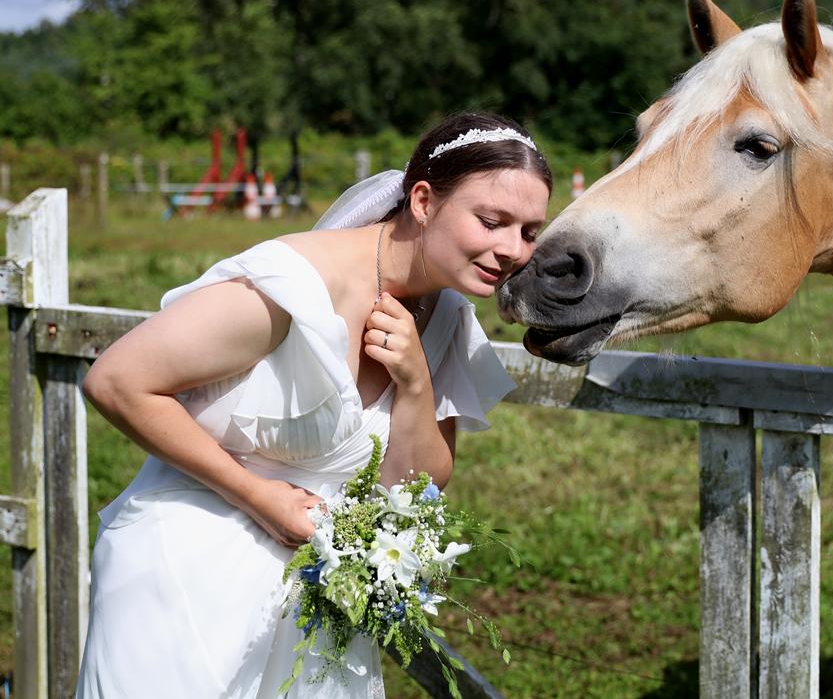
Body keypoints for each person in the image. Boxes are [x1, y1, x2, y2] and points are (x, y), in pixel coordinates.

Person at [75, 112, 553, 697]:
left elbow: (418, 483)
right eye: (492, 221)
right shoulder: (294, 286)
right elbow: (118, 380)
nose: (512, 250)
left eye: (529, 232)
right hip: (185, 580)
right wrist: (256, 494)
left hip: (313, 608)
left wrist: (416, 383)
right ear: (424, 201)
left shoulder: (448, 312)